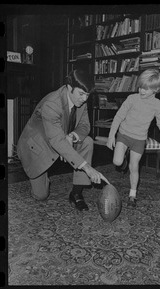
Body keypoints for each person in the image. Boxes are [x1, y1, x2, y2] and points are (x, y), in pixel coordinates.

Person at [17, 69, 107, 211]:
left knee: (87, 142)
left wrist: (72, 136)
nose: (84, 99)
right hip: (38, 146)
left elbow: (85, 126)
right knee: (41, 195)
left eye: (87, 95)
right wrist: (87, 168)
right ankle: (42, 176)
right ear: (69, 88)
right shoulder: (52, 103)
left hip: (60, 138)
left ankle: (76, 193)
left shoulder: (81, 101)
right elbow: (57, 141)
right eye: (81, 94)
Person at [106, 69, 160, 208]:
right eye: (140, 86)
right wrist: (111, 135)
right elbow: (119, 116)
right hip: (124, 134)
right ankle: (123, 159)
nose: (141, 90)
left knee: (134, 167)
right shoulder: (132, 98)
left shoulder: (157, 105)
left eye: (146, 89)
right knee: (117, 161)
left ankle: (132, 195)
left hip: (139, 140)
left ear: (156, 89)